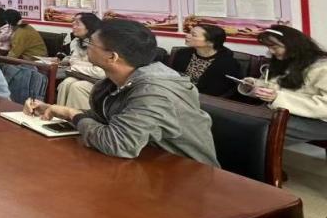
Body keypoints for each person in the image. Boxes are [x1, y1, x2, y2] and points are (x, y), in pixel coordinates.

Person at [24, 19, 219, 166]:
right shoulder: (118, 80)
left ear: (112, 57)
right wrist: (55, 110)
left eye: (91, 43)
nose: (86, 46)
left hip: (187, 177)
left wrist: (71, 113)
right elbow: (110, 120)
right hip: (144, 164)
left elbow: (117, 143)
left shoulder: (154, 92)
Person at [238, 26, 327, 143]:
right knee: (240, 121)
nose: (271, 51)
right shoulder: (285, 60)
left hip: (320, 120)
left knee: (258, 129)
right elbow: (276, 85)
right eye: (268, 47)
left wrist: (277, 98)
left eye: (275, 47)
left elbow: (324, 106)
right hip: (285, 112)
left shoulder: (322, 67)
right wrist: (254, 84)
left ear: (293, 45)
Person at [169, 25, 241, 98]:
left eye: (194, 35)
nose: (187, 35)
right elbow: (173, 76)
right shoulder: (182, 53)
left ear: (210, 42)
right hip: (177, 93)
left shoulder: (227, 63)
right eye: (189, 32)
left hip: (205, 99)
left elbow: (219, 91)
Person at [55, 13, 107, 110]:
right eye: (73, 22)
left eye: (77, 24)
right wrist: (88, 66)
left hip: (102, 81)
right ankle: (59, 114)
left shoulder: (101, 43)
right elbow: (73, 61)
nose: (73, 26)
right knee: (66, 83)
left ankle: (77, 117)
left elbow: (100, 72)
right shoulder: (76, 41)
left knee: (78, 86)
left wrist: (75, 66)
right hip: (83, 76)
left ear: (89, 27)